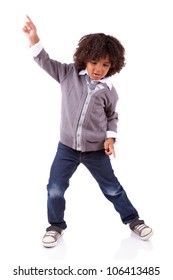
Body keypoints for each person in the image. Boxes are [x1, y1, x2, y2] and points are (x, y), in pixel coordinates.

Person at [23, 15, 153, 248]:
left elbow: (112, 116)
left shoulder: (109, 90)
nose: (98, 69)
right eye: (94, 62)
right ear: (85, 59)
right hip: (67, 149)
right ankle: (55, 226)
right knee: (55, 187)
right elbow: (44, 60)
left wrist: (110, 138)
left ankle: (134, 220)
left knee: (112, 188)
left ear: (113, 65)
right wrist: (34, 38)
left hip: (96, 151)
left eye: (105, 65)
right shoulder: (67, 74)